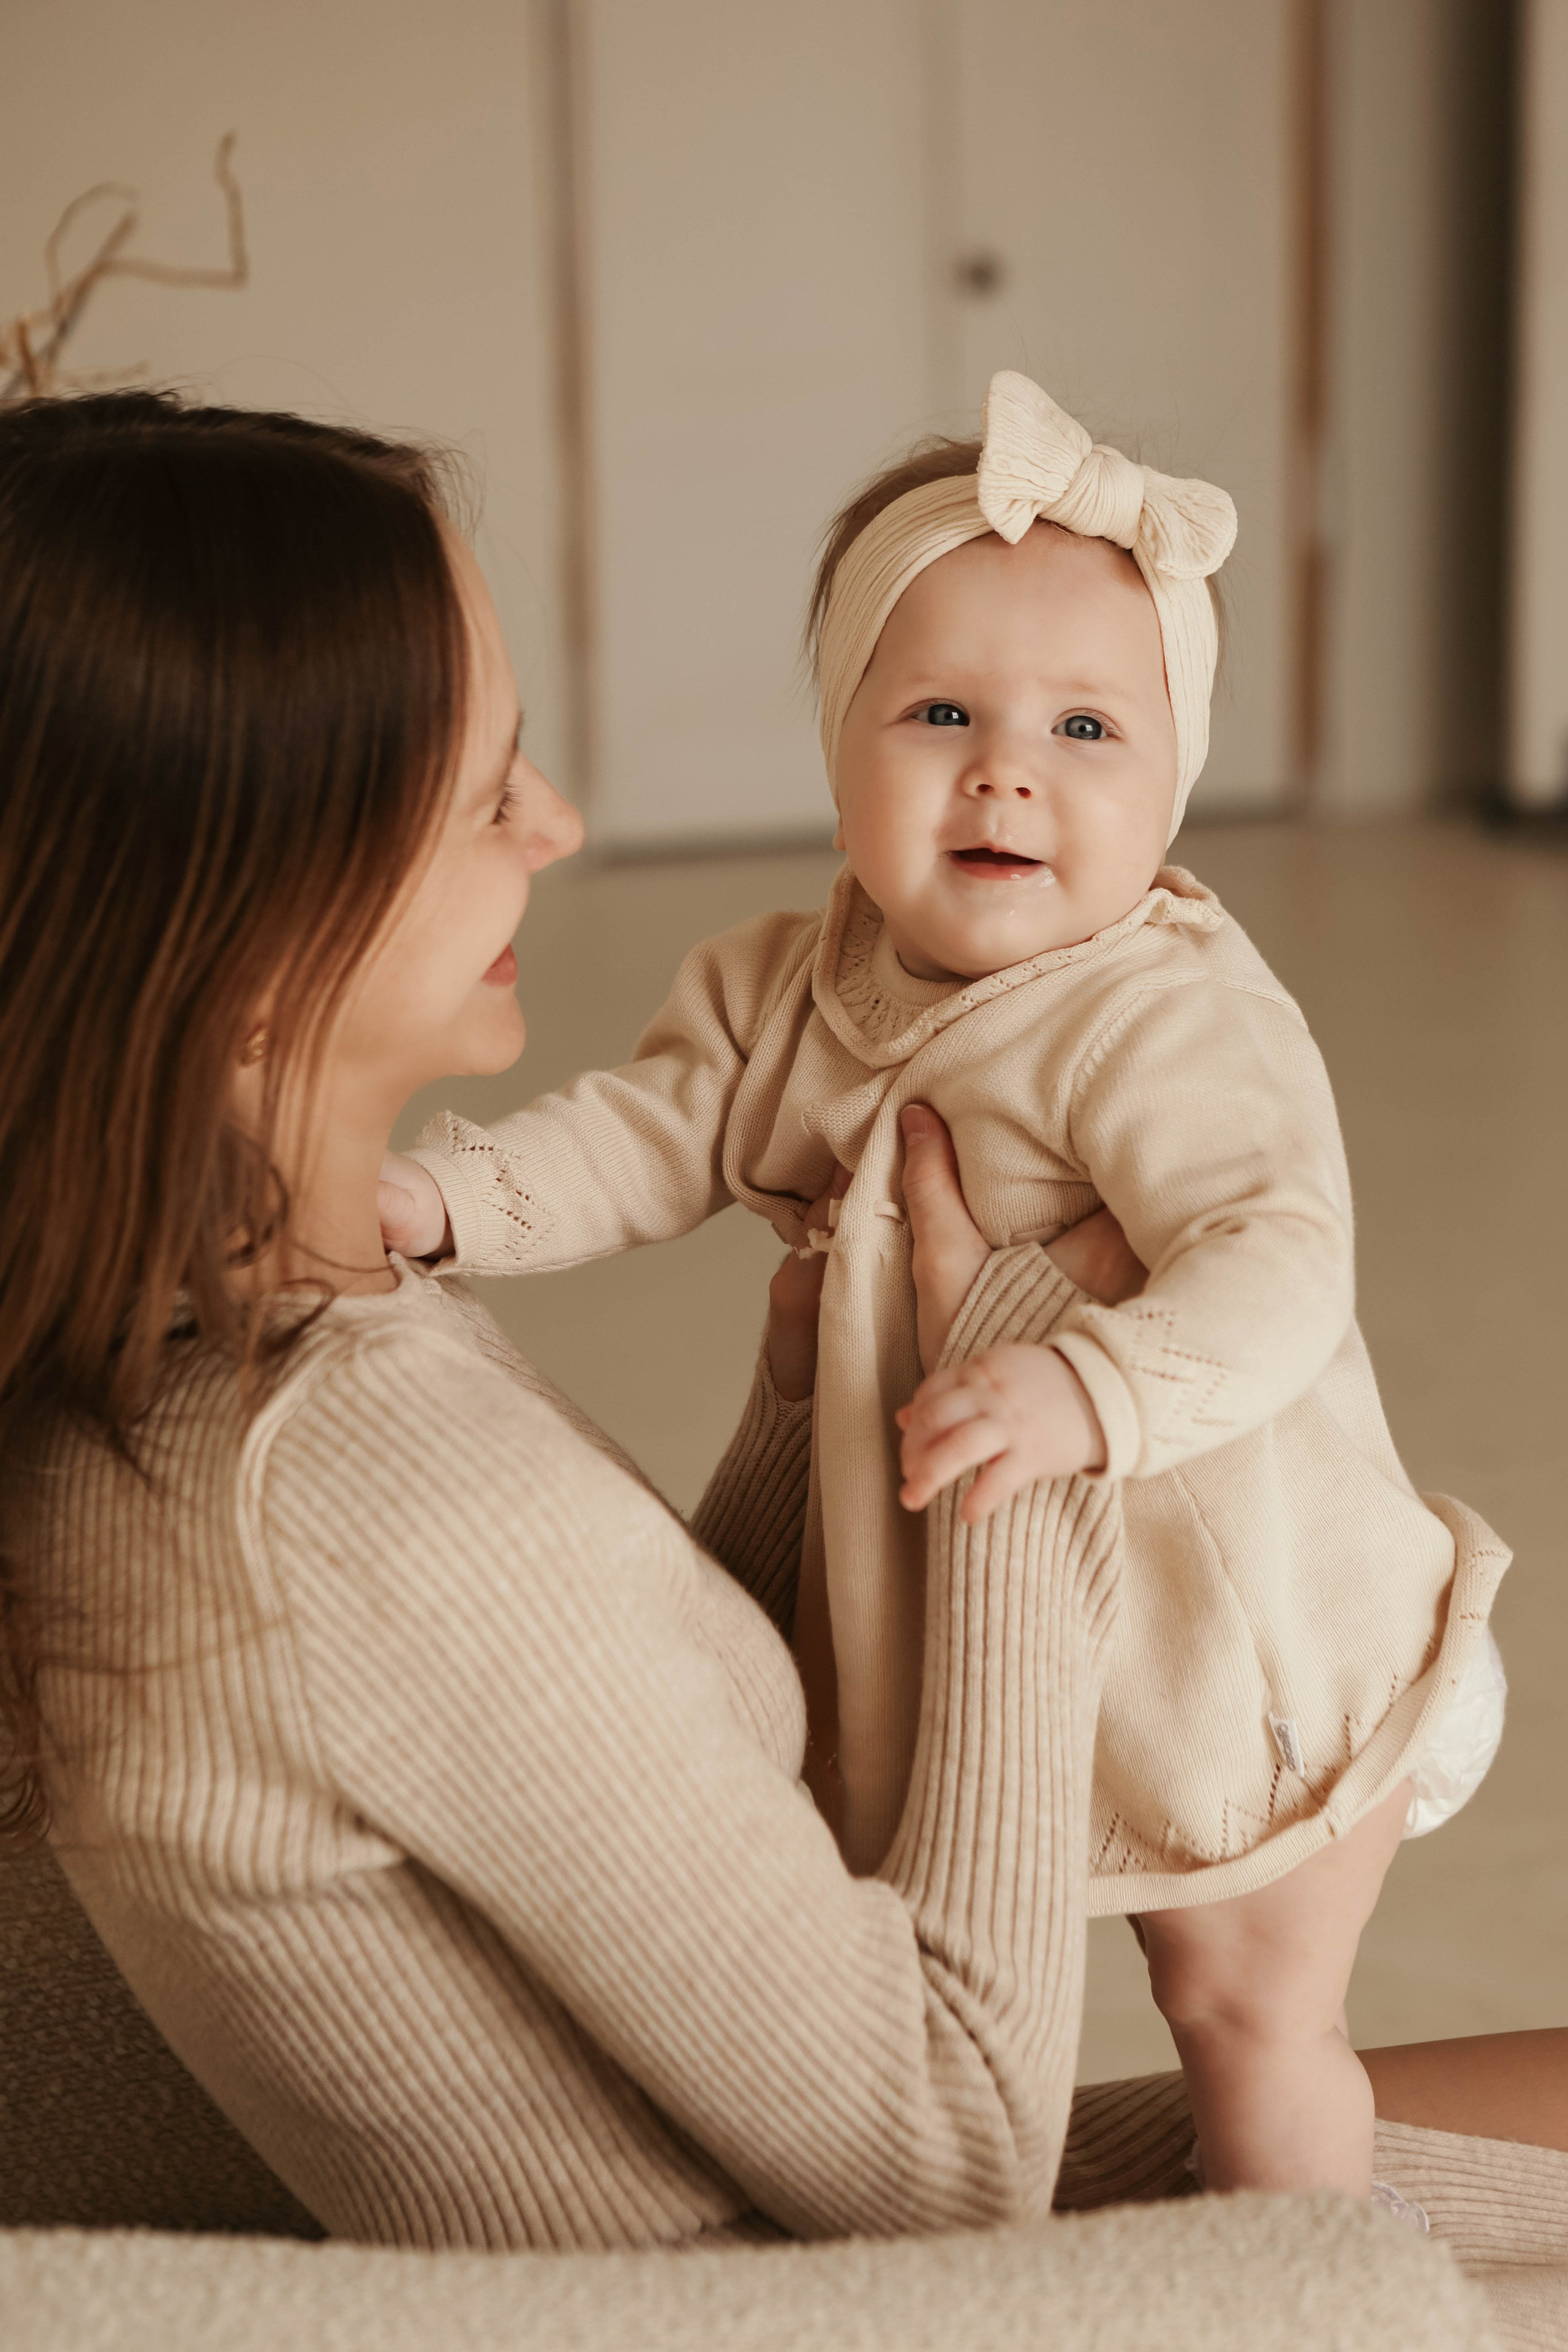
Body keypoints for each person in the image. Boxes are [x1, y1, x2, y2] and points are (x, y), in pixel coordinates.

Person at [1, 391, 1558, 2267]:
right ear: (234, 907)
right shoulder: (346, 1505)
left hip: (825, 2114)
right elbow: (942, 2169)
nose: (560, 825)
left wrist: (796, 1409)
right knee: (1269, 2059)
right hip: (831, 2282)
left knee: (1325, 2070)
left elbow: (612, 1762)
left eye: (1084, 730)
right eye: (487, 782)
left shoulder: (211, 1374)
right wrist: (1013, 1391)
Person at [379, 374, 1507, 2205]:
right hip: (992, 1620)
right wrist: (442, 1200)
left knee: (1246, 2013)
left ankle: (1307, 2292)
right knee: (981, 1975)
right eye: (940, 716)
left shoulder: (1168, 1016)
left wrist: (1092, 1387)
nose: (1008, 772)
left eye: (1085, 728)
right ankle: (1039, 2253)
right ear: (836, 746)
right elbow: (646, 1135)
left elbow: (1279, 1262)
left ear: (1174, 781)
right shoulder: (783, 979)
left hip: (1235, 1618)